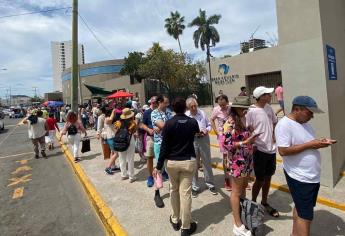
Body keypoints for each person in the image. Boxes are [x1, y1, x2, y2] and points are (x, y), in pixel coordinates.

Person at [275, 96, 334, 236]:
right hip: (300, 177)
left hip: (311, 176)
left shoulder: (305, 124)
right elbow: (283, 151)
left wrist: (320, 143)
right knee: (305, 216)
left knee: (301, 208)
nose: (312, 116)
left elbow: (307, 143)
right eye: (310, 112)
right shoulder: (284, 125)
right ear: (297, 109)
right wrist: (311, 144)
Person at [153, 97, 199, 236]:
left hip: (172, 162)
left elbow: (164, 147)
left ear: (172, 108)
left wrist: (158, 166)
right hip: (188, 160)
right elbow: (196, 134)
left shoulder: (169, 124)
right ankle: (185, 227)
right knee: (185, 193)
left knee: (174, 190)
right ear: (185, 108)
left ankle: (175, 219)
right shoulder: (192, 122)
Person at [223, 96, 256, 236]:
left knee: (242, 190)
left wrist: (250, 136)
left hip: (246, 161)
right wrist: (244, 142)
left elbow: (243, 138)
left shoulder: (242, 119)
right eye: (243, 108)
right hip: (236, 162)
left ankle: (241, 217)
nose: (245, 111)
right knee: (236, 192)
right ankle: (237, 224)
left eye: (246, 109)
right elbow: (227, 144)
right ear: (235, 108)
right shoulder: (229, 122)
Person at [246, 86, 279, 217]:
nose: (270, 96)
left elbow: (275, 122)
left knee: (268, 177)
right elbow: (247, 128)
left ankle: (264, 202)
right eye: (268, 94)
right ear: (261, 96)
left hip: (271, 150)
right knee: (259, 179)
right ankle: (253, 203)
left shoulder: (269, 108)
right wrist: (251, 143)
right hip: (259, 150)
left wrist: (274, 135)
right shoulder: (251, 111)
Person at [185, 97, 217, 197]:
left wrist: (206, 130)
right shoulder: (186, 115)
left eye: (195, 106)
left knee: (207, 162)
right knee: (193, 163)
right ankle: (195, 186)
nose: (194, 108)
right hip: (192, 140)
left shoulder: (202, 113)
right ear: (188, 107)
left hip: (203, 139)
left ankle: (210, 184)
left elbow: (208, 125)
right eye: (192, 106)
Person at [151, 95, 173, 207]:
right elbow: (165, 126)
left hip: (170, 144)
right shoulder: (154, 113)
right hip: (159, 145)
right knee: (159, 168)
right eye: (166, 102)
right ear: (160, 102)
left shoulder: (169, 112)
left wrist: (160, 127)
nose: (168, 105)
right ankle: (157, 192)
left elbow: (169, 126)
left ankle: (172, 190)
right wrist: (162, 127)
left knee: (170, 168)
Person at [210, 94, 232, 191]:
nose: (222, 107)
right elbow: (211, 119)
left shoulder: (231, 107)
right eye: (220, 105)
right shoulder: (216, 109)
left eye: (224, 105)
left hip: (233, 135)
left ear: (227, 102)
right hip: (222, 136)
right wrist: (216, 131)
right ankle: (227, 179)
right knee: (225, 158)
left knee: (235, 156)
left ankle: (238, 178)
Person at [114, 108, 137, 182]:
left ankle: (123, 175)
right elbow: (134, 131)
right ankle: (131, 177)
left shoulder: (118, 122)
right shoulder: (132, 123)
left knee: (122, 158)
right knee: (130, 159)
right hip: (130, 140)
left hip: (120, 141)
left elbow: (115, 130)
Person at [140, 96, 158, 188]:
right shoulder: (147, 112)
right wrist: (148, 129)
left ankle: (163, 172)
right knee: (150, 157)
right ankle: (150, 176)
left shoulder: (160, 111)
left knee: (162, 156)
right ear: (151, 102)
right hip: (151, 138)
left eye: (156, 102)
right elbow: (142, 124)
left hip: (160, 138)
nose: (155, 104)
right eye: (153, 102)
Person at [103, 108, 120, 175]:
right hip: (111, 139)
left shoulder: (112, 120)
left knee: (113, 153)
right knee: (117, 154)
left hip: (112, 138)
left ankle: (113, 166)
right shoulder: (107, 119)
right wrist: (113, 111)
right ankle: (108, 167)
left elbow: (115, 127)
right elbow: (110, 120)